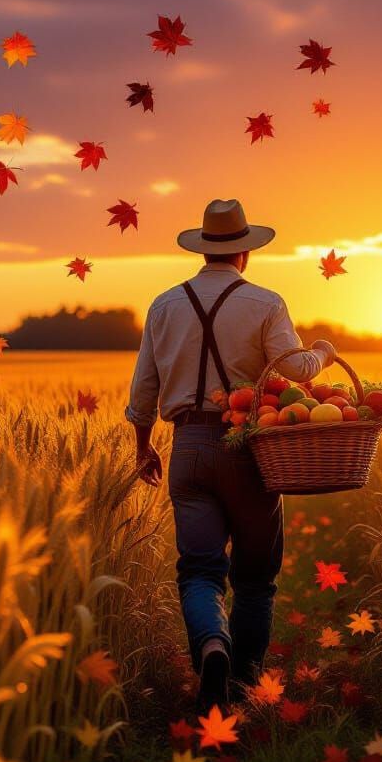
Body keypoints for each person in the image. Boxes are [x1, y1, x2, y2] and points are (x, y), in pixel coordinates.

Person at [125, 198, 336, 711]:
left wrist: (143, 447)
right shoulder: (265, 303)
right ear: (244, 252)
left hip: (188, 448)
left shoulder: (163, 305)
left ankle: (211, 646)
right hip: (249, 448)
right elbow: (299, 370)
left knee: (198, 569)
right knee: (255, 575)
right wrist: (326, 350)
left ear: (203, 249)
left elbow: (143, 390)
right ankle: (242, 683)